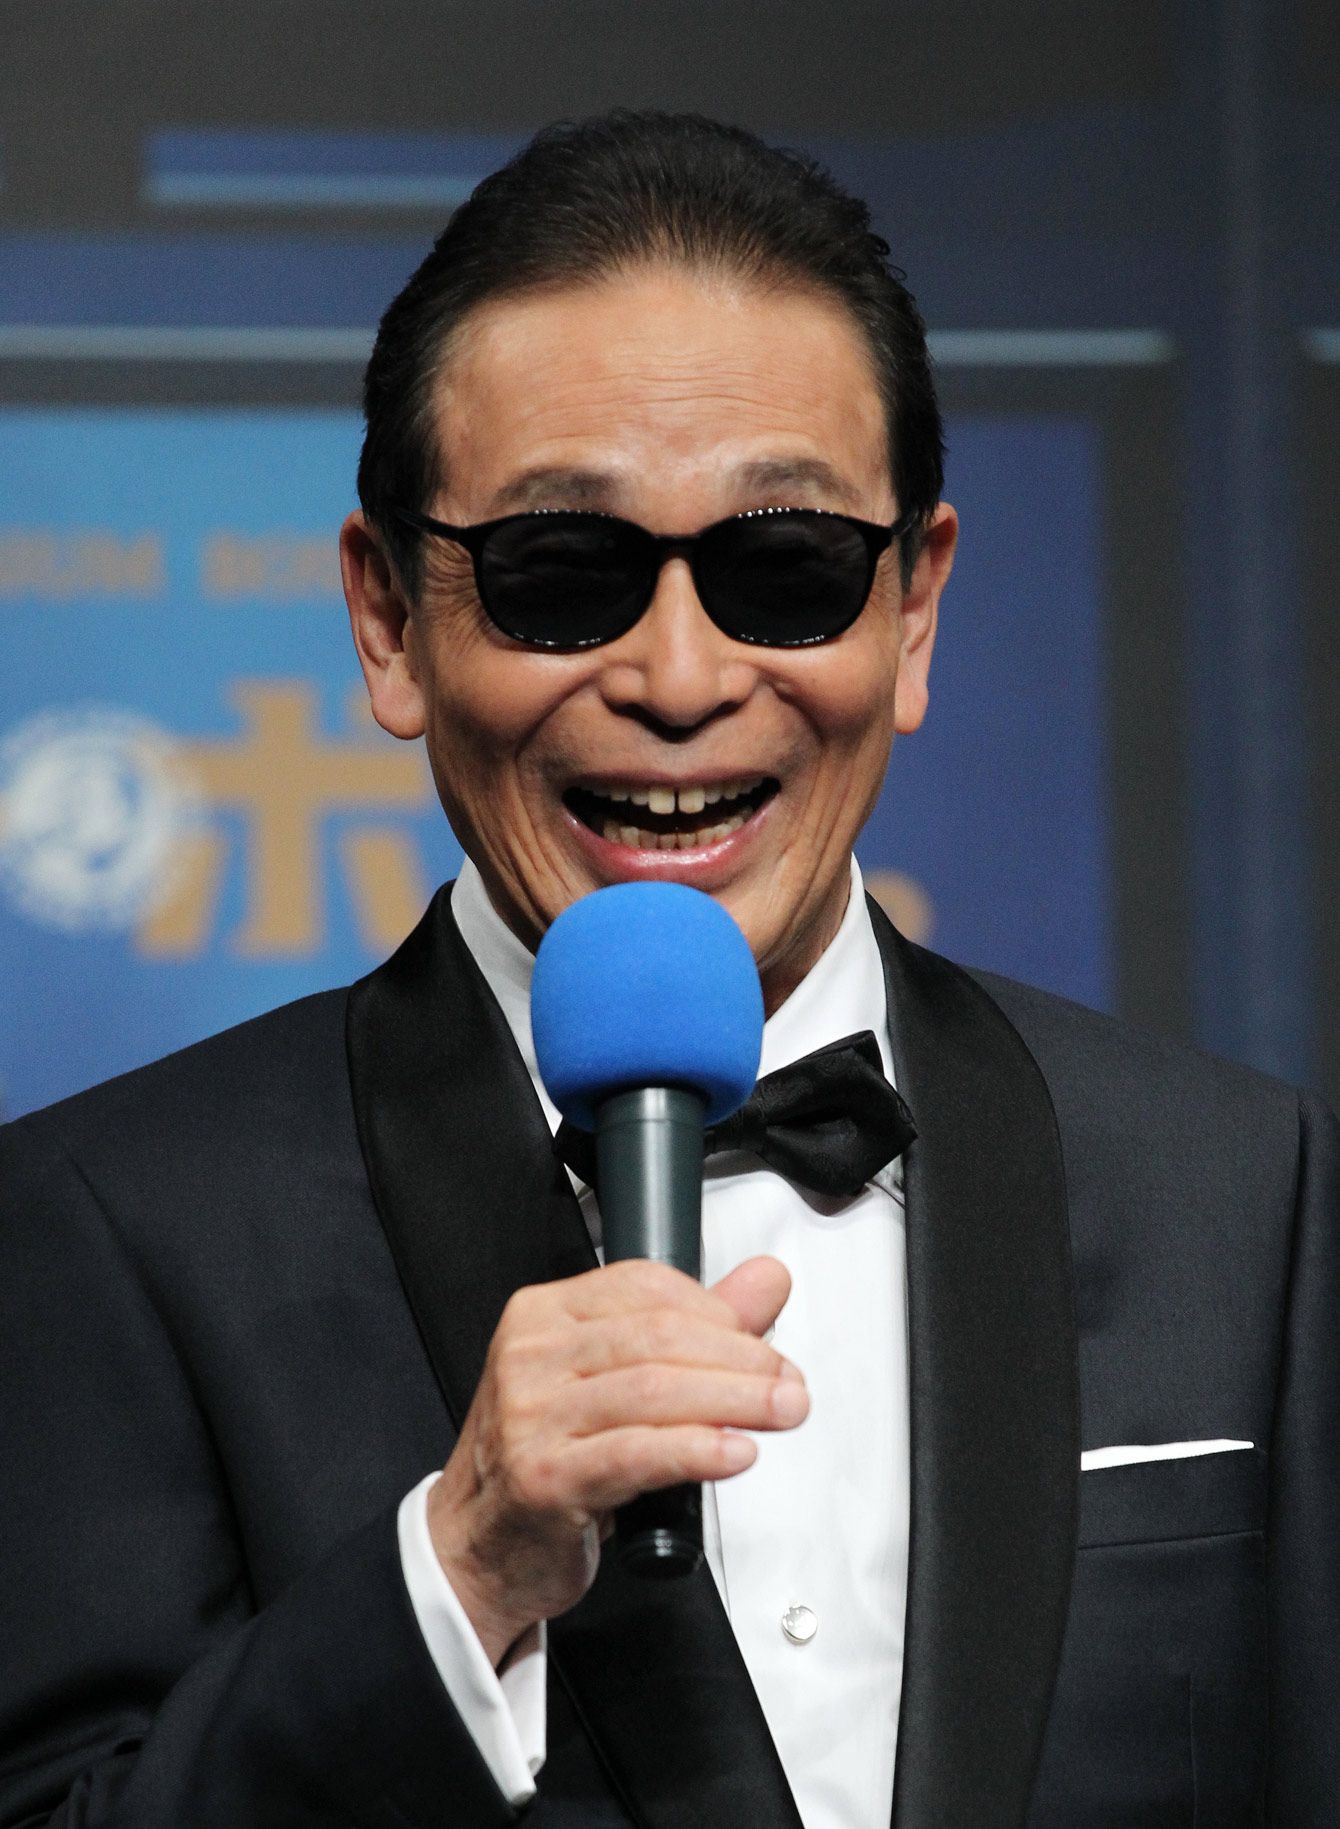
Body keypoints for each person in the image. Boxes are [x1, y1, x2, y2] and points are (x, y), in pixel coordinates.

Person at [0, 111, 1335, 1829]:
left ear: (912, 612)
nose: (683, 677)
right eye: (564, 577)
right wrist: (456, 1573)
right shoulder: (109, 1227)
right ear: (389, 620)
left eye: (786, 569)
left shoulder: (1241, 1187)